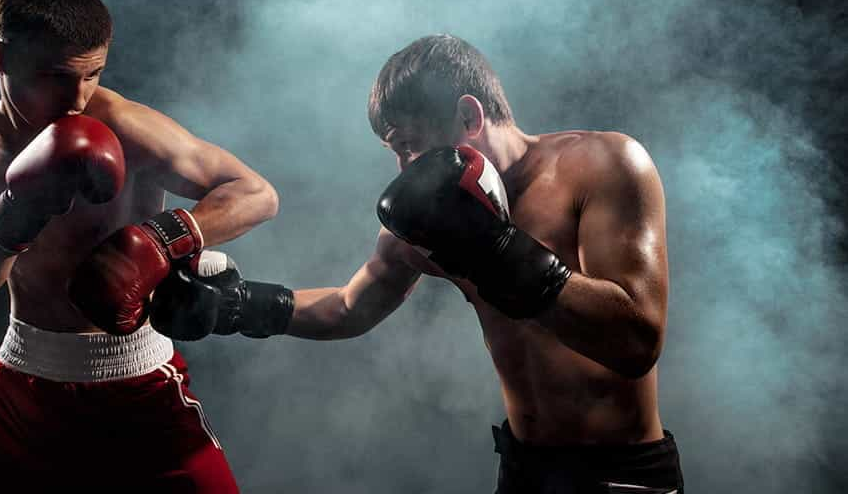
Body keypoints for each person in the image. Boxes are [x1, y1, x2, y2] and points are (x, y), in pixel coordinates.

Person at [149, 35, 684, 493]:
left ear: (470, 116)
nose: (405, 168)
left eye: (410, 145)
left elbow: (635, 341)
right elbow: (347, 308)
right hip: (526, 470)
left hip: (624, 476)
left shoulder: (602, 165)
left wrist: (493, 248)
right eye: (394, 151)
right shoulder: (427, 218)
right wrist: (237, 307)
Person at [0, 0, 278, 493]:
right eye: (55, 76)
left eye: (92, 74)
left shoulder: (127, 126)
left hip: (139, 383)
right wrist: (18, 212)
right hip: (22, 386)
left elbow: (256, 194)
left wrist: (160, 240)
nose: (78, 99)